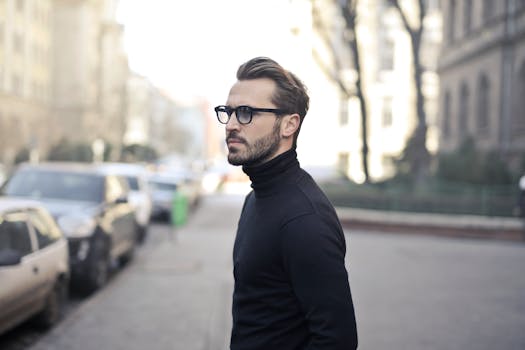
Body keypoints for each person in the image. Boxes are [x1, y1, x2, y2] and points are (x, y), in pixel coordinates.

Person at [215, 56, 358, 350]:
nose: (230, 125)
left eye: (245, 113)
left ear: (288, 125)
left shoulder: (305, 219)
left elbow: (337, 341)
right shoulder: (254, 198)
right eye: (227, 112)